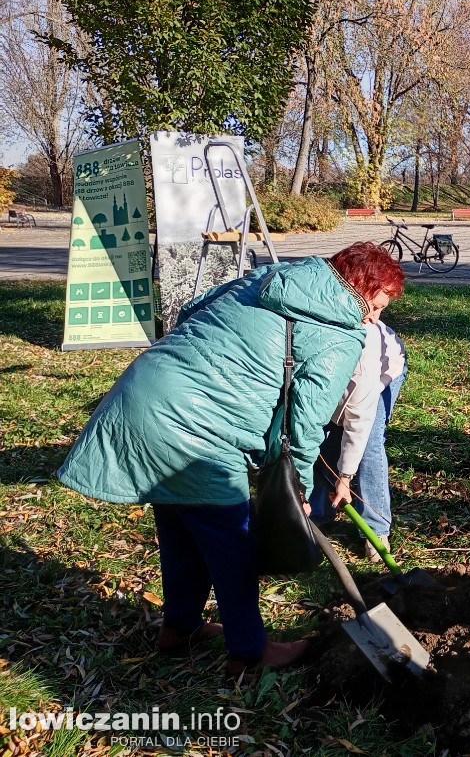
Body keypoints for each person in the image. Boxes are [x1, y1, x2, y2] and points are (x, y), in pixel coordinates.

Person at [57, 243, 404, 674]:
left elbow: (191, 310)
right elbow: (307, 419)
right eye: (374, 306)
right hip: (197, 428)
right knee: (233, 541)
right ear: (359, 287)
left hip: (142, 393)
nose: (373, 319)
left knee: (181, 527)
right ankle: (250, 652)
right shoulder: (341, 332)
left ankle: (179, 627)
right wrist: (292, 482)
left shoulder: (268, 278)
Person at [308, 320, 407, 561]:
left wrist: (345, 478)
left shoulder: (364, 372)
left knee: (369, 445)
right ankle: (317, 514)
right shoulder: (310, 355)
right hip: (337, 377)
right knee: (325, 440)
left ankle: (376, 529)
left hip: (381, 372)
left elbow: (358, 428)